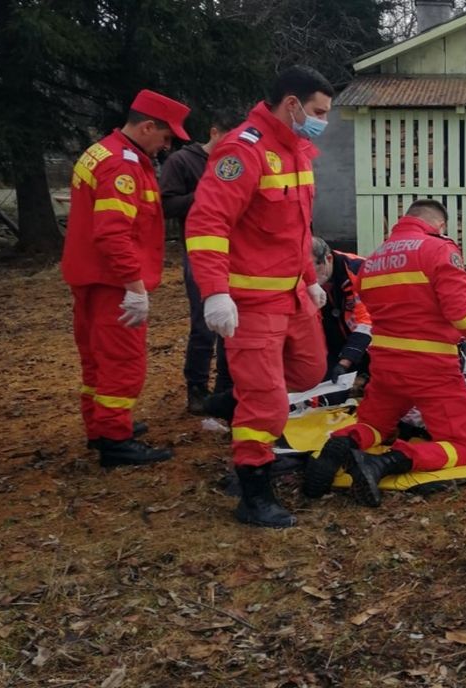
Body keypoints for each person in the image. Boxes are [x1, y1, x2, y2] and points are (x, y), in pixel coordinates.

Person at [186, 65, 334, 528]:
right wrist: (215, 293)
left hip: (293, 297)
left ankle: (236, 402)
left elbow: (297, 229)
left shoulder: (297, 151)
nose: (322, 121)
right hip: (252, 303)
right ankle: (253, 492)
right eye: (317, 111)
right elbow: (207, 224)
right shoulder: (242, 150)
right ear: (291, 104)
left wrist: (310, 278)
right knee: (267, 402)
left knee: (312, 370)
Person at [308, 200, 466, 507]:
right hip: (431, 366)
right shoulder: (438, 250)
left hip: (385, 364)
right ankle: (388, 463)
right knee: (461, 446)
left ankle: (338, 445)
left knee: (375, 426)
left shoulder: (374, 259)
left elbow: (368, 308)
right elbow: (462, 314)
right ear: (440, 226)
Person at [62, 89, 190, 468]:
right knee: (122, 361)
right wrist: (134, 287)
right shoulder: (123, 165)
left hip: (90, 277)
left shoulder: (101, 151)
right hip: (113, 282)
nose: (167, 147)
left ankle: (100, 426)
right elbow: (113, 233)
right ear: (148, 126)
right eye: (166, 138)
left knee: (96, 359)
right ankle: (115, 440)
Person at [159, 110, 240, 414]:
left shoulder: (237, 162)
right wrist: (206, 195)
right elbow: (166, 204)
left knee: (233, 325)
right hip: (200, 253)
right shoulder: (181, 162)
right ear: (214, 132)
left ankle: (225, 389)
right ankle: (196, 389)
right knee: (204, 325)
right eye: (228, 140)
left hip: (235, 254)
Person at [310, 236, 372, 382]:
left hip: (365, 345)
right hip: (327, 345)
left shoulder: (358, 269)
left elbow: (367, 323)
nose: (308, 277)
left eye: (311, 269)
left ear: (328, 259)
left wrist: (345, 362)